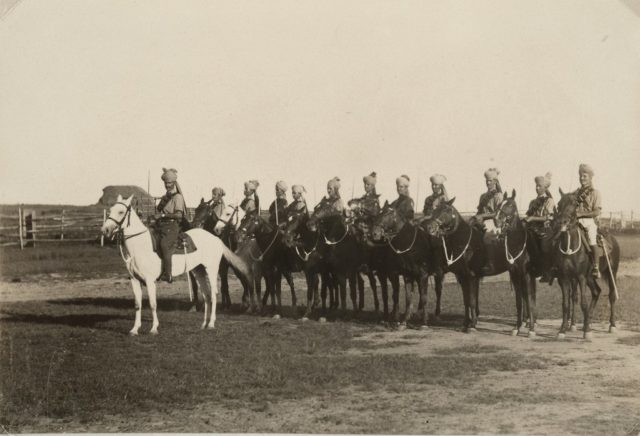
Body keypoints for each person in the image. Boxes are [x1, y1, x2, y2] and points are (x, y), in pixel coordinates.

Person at [156, 167, 187, 283]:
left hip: (172, 226)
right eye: (165, 183)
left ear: (174, 183)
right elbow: (159, 211)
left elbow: (179, 215)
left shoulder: (178, 197)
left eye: (169, 183)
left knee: (164, 244)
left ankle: (167, 274)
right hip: (161, 225)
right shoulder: (166, 197)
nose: (167, 185)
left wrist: (163, 216)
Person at [523, 172, 555, 283]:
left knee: (544, 245)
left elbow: (549, 217)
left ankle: (547, 271)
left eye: (539, 186)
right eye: (536, 186)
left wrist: (532, 219)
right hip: (532, 228)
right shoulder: (533, 202)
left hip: (545, 228)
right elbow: (529, 215)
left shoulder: (549, 201)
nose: (537, 188)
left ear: (545, 188)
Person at [470, 168, 503, 274]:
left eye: (490, 180)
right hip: (482, 220)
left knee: (487, 236)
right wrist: (475, 218)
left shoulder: (498, 196)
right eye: (487, 180)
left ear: (495, 181)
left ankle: (490, 263)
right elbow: (479, 211)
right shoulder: (483, 196)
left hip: (493, 222)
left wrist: (483, 216)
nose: (488, 182)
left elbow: (497, 213)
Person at [573, 163, 602, 278]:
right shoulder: (575, 193)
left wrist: (581, 213)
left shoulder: (595, 193)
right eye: (580, 175)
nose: (582, 178)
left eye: (584, 176)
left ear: (590, 177)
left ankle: (596, 267)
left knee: (591, 239)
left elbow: (596, 212)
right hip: (575, 221)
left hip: (588, 221)